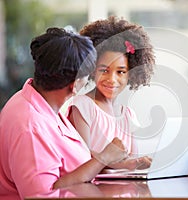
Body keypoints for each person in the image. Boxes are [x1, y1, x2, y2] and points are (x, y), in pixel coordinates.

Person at [0, 27, 129, 200]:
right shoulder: (30, 126)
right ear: (75, 83)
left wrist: (112, 160)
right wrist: (104, 158)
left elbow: (69, 166)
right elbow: (42, 195)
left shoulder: (44, 104)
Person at [67, 16, 155, 170]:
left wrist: (142, 163)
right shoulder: (82, 107)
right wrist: (127, 164)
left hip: (124, 191)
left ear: (131, 74)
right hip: (93, 190)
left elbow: (133, 162)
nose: (111, 79)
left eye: (121, 72)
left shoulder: (128, 115)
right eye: (104, 70)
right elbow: (81, 158)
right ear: (92, 69)